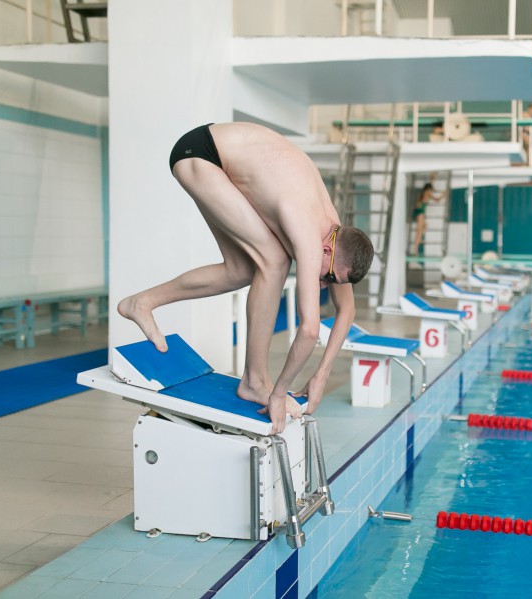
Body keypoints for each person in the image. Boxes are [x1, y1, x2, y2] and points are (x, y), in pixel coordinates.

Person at [117, 122, 374, 434]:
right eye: (330, 276)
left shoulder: (335, 238)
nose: (326, 283)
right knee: (274, 259)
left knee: (240, 270)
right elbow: (308, 329)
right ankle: (254, 380)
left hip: (216, 158)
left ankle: (140, 303)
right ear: (327, 248)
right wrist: (278, 393)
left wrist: (321, 374)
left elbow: (346, 310)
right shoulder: (309, 231)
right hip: (202, 154)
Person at [411, 175, 446, 256]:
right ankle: (416, 247)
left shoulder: (424, 192)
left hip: (419, 212)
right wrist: (443, 194)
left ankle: (419, 240)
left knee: (424, 226)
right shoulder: (428, 192)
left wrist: (432, 179)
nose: (432, 191)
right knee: (419, 231)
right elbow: (437, 200)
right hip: (420, 213)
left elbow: (430, 188)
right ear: (429, 189)